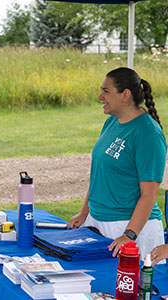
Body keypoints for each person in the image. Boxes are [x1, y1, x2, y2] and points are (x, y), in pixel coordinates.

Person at [69, 67, 166, 260]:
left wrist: (129, 235)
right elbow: (101, 174)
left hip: (130, 228)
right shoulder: (112, 123)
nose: (100, 96)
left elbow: (150, 194)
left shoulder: (148, 133)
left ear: (125, 95)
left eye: (106, 91)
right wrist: (84, 212)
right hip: (99, 221)